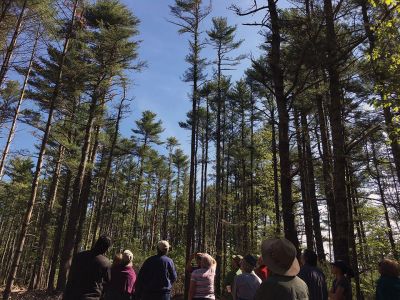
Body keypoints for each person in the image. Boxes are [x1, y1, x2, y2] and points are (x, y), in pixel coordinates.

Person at [64, 235, 112, 300]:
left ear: (96, 243)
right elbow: (108, 284)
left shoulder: (79, 256)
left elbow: (70, 277)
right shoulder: (106, 263)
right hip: (92, 297)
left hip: (72, 295)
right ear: (106, 248)